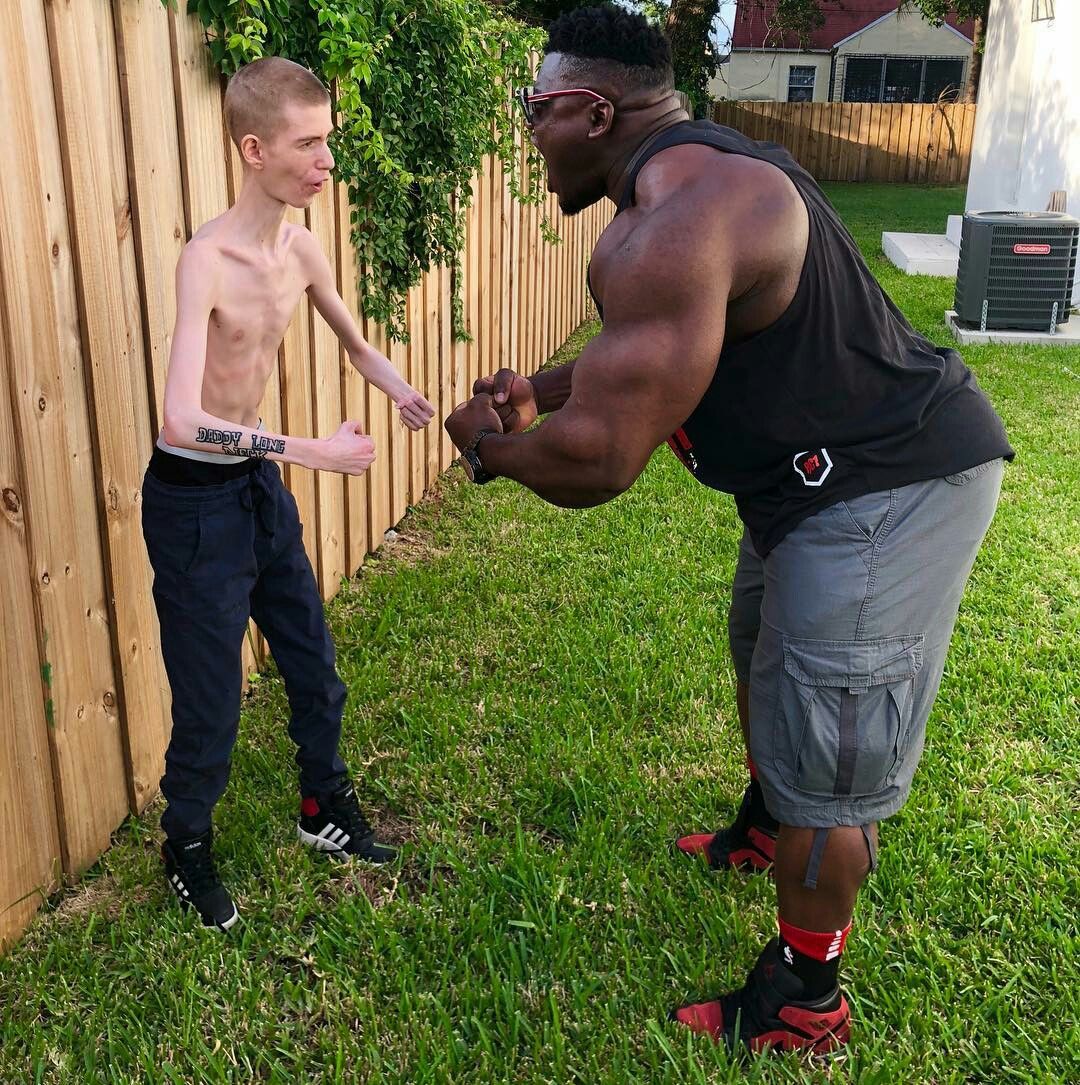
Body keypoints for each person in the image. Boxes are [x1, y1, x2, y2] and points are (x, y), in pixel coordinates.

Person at [444, 4, 1012, 1055]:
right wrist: (545, 388)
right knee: (762, 646)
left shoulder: (675, 222)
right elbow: (668, 337)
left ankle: (806, 993)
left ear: (592, 110)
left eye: (535, 109)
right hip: (808, 485)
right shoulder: (690, 179)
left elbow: (598, 461)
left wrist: (487, 448)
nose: (530, 132)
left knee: (831, 749)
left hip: (887, 485)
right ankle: (768, 819)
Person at [143, 57, 435, 931]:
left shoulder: (300, 248)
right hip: (193, 504)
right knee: (210, 705)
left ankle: (323, 807)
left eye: (327, 141)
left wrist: (400, 389)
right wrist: (311, 450)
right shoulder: (208, 259)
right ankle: (185, 844)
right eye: (308, 144)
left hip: (255, 492)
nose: (326, 161)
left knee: (313, 662)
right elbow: (180, 419)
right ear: (254, 149)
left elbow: (355, 343)